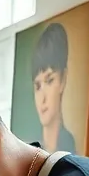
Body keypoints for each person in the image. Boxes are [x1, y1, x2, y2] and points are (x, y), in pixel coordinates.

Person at [28, 22, 77, 154]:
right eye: (37, 86)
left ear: (63, 79)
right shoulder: (28, 149)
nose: (42, 98)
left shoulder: (72, 147)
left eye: (49, 81)